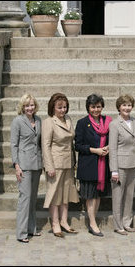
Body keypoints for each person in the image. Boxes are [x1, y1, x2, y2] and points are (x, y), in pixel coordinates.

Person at [42, 93, 79, 238]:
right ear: (53, 108)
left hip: (68, 162)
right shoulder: (49, 122)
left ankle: (64, 221)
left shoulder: (68, 119)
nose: (63, 110)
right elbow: (45, 145)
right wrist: (49, 166)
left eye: (64, 107)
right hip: (55, 163)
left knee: (66, 193)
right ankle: (55, 223)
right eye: (59, 107)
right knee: (54, 194)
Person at [75, 94, 112, 237]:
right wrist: (95, 150)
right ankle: (92, 223)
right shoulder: (83, 123)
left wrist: (108, 147)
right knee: (90, 195)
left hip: (103, 165)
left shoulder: (108, 121)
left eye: (98, 106)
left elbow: (113, 139)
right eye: (93, 107)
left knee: (97, 196)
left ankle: (93, 220)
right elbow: (78, 145)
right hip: (89, 164)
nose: (96, 109)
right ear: (88, 108)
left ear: (102, 106)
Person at [10, 94, 42, 243]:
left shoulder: (39, 120)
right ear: (22, 107)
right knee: (25, 198)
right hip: (23, 164)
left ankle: (31, 228)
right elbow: (13, 145)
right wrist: (16, 166)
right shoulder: (17, 121)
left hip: (36, 164)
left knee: (33, 198)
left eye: (32, 105)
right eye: (27, 105)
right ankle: (21, 233)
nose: (30, 108)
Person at [108, 95, 135, 235]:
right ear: (119, 107)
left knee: (129, 196)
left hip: (133, 164)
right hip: (120, 165)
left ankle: (127, 222)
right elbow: (113, 148)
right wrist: (113, 170)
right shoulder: (115, 124)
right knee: (118, 197)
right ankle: (118, 225)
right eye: (124, 105)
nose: (127, 108)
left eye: (129, 105)